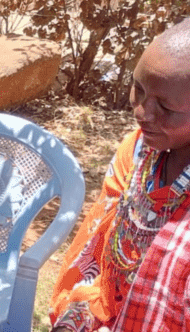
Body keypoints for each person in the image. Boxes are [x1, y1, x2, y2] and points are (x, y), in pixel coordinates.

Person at [49, 19, 190, 331]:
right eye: (138, 88)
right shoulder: (138, 150)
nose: (142, 112)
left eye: (165, 107)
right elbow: (99, 253)